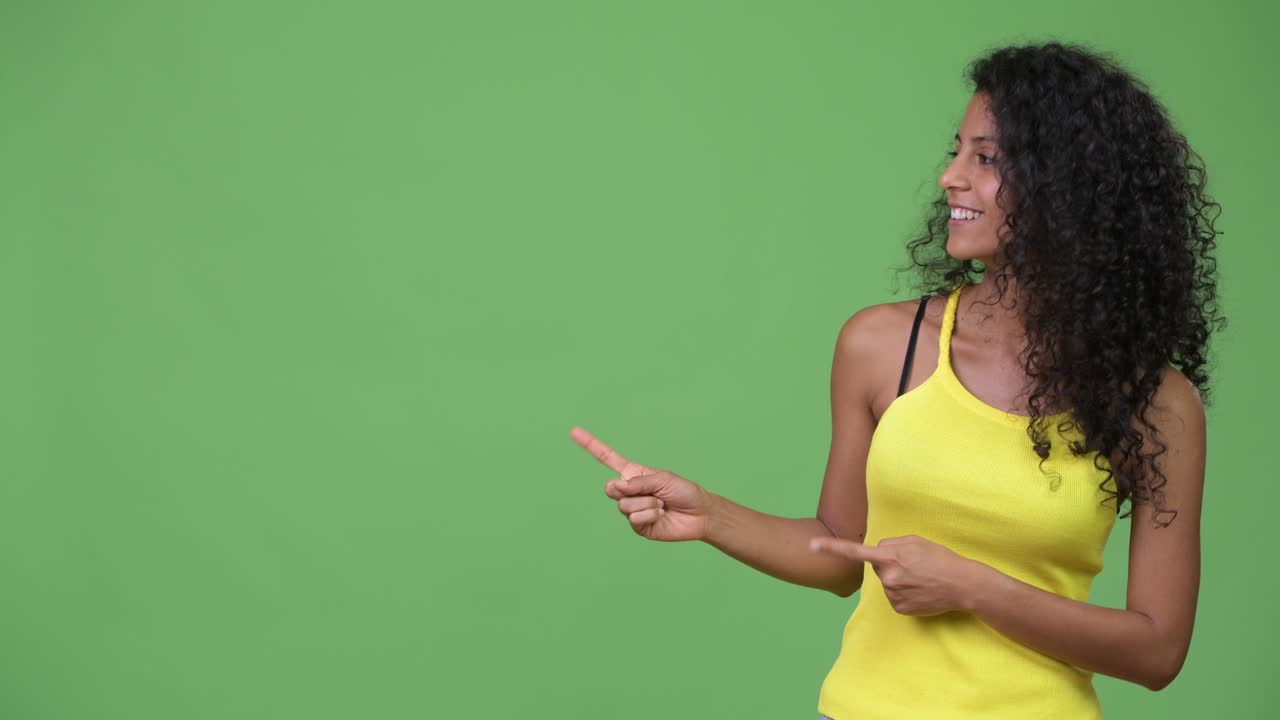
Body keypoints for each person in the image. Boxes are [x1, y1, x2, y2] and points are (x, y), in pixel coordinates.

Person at [570, 41, 1222, 719]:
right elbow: (837, 553)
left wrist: (972, 587)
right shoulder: (884, 346)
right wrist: (710, 515)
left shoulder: (1156, 404)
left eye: (986, 158)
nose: (950, 177)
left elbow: (1158, 651)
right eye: (958, 150)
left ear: (1069, 185)